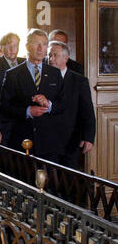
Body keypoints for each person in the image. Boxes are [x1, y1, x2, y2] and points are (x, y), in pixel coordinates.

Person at [0, 29, 66, 163]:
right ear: (27, 46)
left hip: (49, 145)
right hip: (22, 143)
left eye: (44, 44)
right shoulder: (13, 74)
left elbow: (63, 105)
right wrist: (27, 111)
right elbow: (4, 107)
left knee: (49, 182)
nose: (41, 48)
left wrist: (49, 105)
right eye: (37, 43)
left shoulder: (55, 73)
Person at [48, 41, 96, 169]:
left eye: (55, 55)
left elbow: (88, 112)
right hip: (48, 140)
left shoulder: (79, 81)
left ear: (65, 57)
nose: (51, 59)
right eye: (49, 55)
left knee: (69, 179)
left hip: (71, 140)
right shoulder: (43, 79)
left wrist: (89, 138)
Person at [0, 33, 25, 144]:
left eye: (16, 45)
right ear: (2, 47)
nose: (13, 49)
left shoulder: (25, 63)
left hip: (23, 124)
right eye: (9, 45)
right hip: (4, 126)